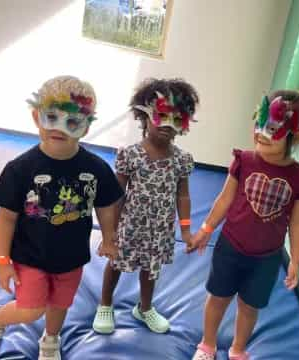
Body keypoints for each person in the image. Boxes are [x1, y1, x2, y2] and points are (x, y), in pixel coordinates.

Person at [0, 75, 123, 360]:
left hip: (72, 256)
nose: (60, 128)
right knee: (30, 308)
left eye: (72, 122)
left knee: (60, 303)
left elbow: (104, 205)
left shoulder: (97, 168)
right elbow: (6, 218)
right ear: (36, 117)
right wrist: (3, 261)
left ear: (86, 127)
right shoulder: (20, 169)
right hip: (30, 255)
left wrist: (109, 237)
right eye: (51, 117)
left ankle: (51, 340)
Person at [191, 90, 299, 360]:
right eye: (259, 123)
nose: (261, 132)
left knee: (249, 307)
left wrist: (295, 260)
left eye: (272, 128)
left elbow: (298, 224)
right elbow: (225, 199)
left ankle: (238, 349)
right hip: (230, 246)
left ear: (297, 135)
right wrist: (205, 229)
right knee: (218, 298)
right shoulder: (244, 161)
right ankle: (207, 344)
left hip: (267, 258)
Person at [92, 78, 199, 335]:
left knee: (152, 269)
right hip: (130, 226)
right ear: (144, 116)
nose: (167, 125)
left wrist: (185, 230)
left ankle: (145, 307)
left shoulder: (181, 160)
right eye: (161, 115)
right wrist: (110, 232)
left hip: (160, 229)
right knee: (116, 264)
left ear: (183, 124)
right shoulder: (130, 154)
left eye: (176, 119)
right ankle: (105, 303)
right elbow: (117, 195)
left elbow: (183, 196)